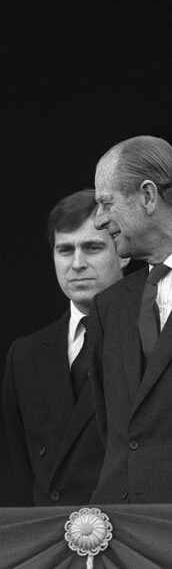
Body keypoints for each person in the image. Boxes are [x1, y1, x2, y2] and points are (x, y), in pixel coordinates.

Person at [3, 189, 129, 506]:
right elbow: (20, 472)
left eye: (92, 248)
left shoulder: (150, 338)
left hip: (127, 537)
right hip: (50, 540)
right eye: (64, 250)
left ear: (123, 252)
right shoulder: (26, 354)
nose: (76, 263)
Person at [90, 135, 172, 504]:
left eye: (106, 202)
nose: (98, 220)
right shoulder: (110, 306)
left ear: (149, 196)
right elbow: (114, 434)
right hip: (124, 538)